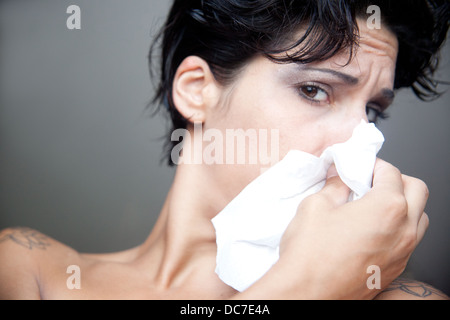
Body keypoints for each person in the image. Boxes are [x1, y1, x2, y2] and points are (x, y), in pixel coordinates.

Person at [0, 0, 449, 300]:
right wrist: (309, 286)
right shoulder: (32, 273)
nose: (359, 142)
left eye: (373, 111)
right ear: (197, 91)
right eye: (314, 90)